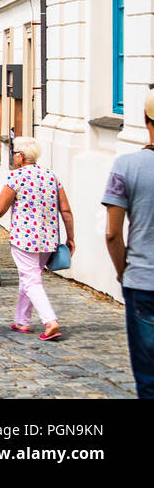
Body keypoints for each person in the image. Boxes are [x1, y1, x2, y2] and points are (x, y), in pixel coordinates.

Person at [0, 137, 74, 341]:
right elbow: (65, 209)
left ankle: (50, 321)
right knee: (29, 278)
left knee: (31, 280)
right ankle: (22, 320)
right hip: (49, 239)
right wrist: (71, 237)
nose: (13, 157)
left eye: (14, 154)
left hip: (25, 239)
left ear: (21, 156)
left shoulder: (16, 177)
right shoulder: (52, 176)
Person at [102, 87, 154, 398]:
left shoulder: (127, 166)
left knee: (148, 377)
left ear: (146, 119)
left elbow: (112, 234)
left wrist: (123, 271)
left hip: (144, 280)